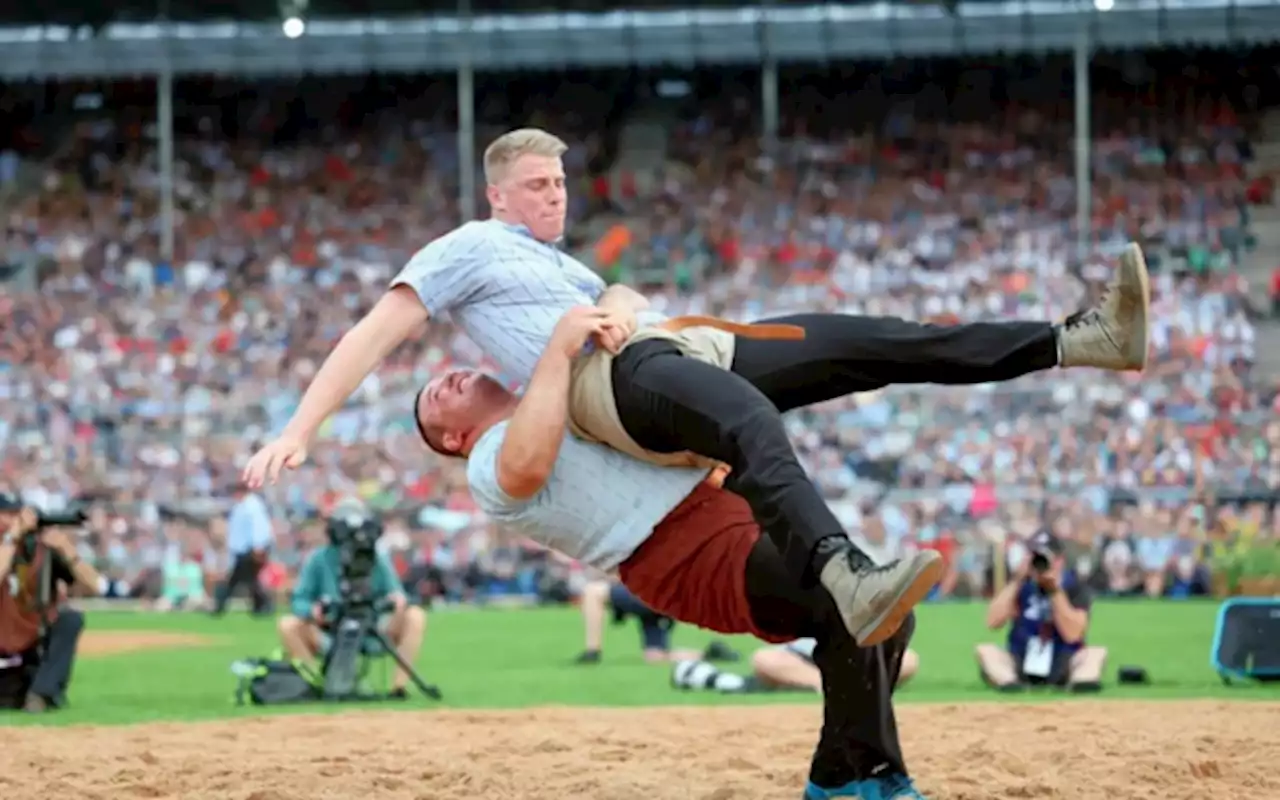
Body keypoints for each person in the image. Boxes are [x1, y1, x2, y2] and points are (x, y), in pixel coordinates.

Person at [244, 126, 1150, 651]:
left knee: (869, 341)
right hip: (615, 383)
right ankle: (843, 568)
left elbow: (619, 302)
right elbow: (377, 327)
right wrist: (301, 426)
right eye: (535, 184)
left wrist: (624, 298)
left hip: (675, 345)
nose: (554, 193)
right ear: (496, 198)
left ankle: (1080, 339)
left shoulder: (554, 264)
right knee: (750, 414)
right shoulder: (466, 249)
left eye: (560, 180)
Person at [415, 308, 930, 799]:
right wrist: (558, 348)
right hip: (678, 553)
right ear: (456, 438)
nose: (443, 381)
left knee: (887, 618)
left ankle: (835, 772)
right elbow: (526, 464)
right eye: (432, 400)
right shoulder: (487, 464)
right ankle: (876, 774)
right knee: (846, 605)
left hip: (723, 511)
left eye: (440, 380)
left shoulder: (550, 395)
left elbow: (618, 311)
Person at [277, 501, 428, 697]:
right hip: (330, 629)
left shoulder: (375, 558)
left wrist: (396, 600)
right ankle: (316, 684)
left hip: (372, 629)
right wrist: (312, 611)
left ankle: (398, 687)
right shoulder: (319, 559)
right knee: (288, 625)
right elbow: (299, 600)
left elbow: (396, 594)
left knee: (415, 616)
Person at [0, 494, 102, 713]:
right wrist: (11, 539)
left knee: (70, 619)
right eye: (8, 515)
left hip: (29, 651)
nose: (16, 520)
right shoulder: (7, 546)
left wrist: (67, 550)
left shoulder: (41, 551)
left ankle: (40, 694)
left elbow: (95, 586)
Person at [975, 530, 1106, 693]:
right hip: (1022, 657)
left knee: (1095, 653)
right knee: (986, 650)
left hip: (1063, 657)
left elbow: (1073, 634)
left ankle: (1082, 682)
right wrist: (1017, 581)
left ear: (1060, 561)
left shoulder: (1074, 587)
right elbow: (992, 622)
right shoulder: (1022, 587)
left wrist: (1054, 591)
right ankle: (1009, 683)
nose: (1040, 565)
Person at [575, 577, 739, 665]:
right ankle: (708, 655)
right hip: (669, 598)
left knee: (593, 592)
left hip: (657, 593)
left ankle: (592, 651)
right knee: (655, 657)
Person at [671, 637, 919, 695]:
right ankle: (828, 686)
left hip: (851, 661)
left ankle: (844, 686)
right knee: (763, 659)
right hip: (800, 659)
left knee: (908, 659)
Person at [212, 484, 274, 616]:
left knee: (243, 580)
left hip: (250, 549)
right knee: (249, 580)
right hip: (241, 550)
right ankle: (261, 606)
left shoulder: (252, 506)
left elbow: (259, 527)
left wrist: (258, 546)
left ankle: (220, 606)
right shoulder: (241, 506)